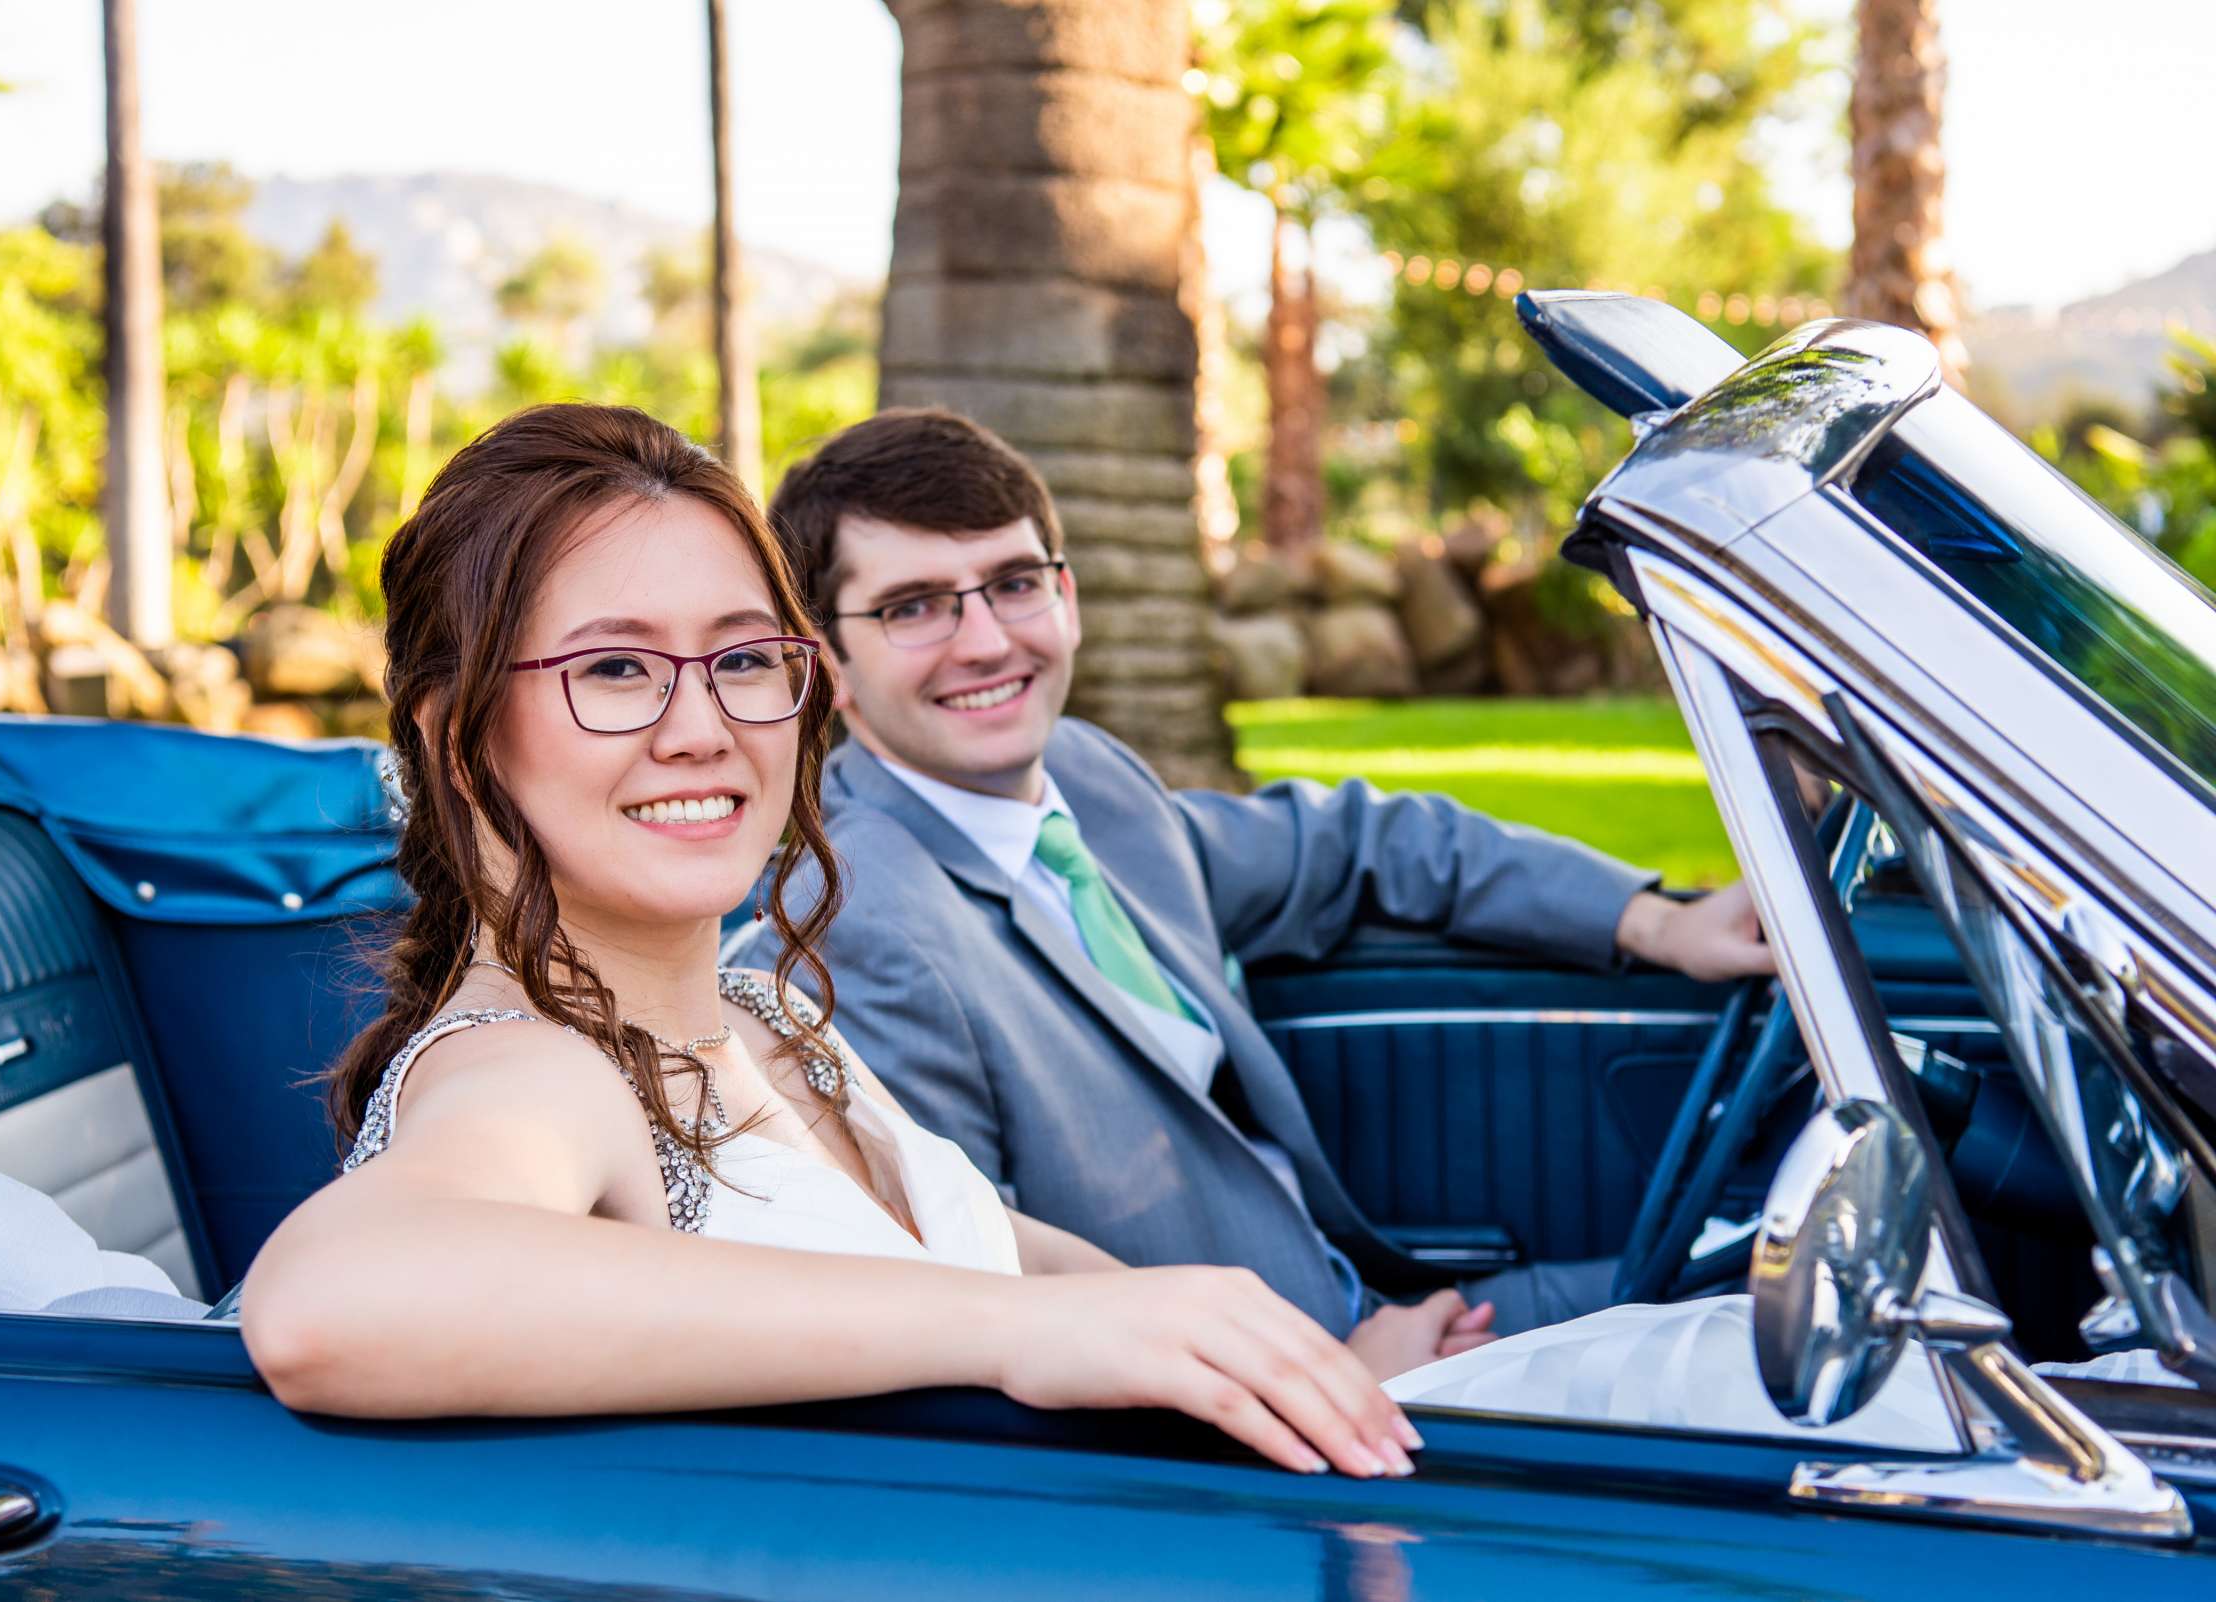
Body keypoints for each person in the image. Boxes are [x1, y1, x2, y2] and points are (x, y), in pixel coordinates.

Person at [240, 403, 1427, 1481]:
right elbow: (332, 1301)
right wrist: (1022, 1334)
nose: (703, 729)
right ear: (458, 741)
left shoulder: (767, 1019)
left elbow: (985, 1253)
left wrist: (1273, 1357)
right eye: (614, 669)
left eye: (745, 658)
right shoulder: (538, 1073)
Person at [740, 408, 1778, 1376]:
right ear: (826, 660)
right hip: (1269, 1414)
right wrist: (1327, 1375)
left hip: (1374, 1313)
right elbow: (980, 1296)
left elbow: (1357, 842)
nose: (985, 640)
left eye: (1014, 582)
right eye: (915, 607)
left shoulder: (1090, 781)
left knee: (1778, 1287)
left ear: (1066, 597)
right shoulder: (858, 924)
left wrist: (1659, 923)